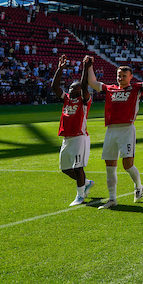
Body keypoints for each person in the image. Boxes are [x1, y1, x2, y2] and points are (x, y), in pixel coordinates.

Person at [85, 55, 143, 208]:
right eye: (119, 75)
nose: (120, 78)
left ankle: (138, 185)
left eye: (124, 76)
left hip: (127, 129)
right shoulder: (110, 88)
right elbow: (92, 82)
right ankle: (112, 199)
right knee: (109, 166)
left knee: (127, 165)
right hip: (111, 130)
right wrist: (89, 66)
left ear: (130, 77)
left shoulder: (136, 88)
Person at [52, 55, 94, 207]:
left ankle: (80, 195)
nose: (71, 89)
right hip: (67, 138)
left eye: (74, 87)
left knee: (78, 167)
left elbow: (84, 85)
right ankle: (87, 183)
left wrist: (85, 68)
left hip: (79, 137)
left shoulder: (84, 101)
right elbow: (54, 87)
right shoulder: (67, 99)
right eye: (70, 87)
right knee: (65, 168)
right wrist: (60, 68)